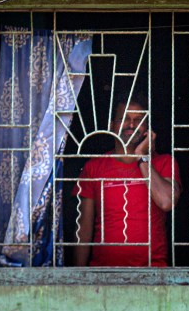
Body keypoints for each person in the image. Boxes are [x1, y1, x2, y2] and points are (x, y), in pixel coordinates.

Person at [72, 96, 181, 267]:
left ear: (147, 128)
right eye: (124, 119)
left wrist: (142, 157)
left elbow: (166, 201)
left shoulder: (164, 163)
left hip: (153, 273)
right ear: (111, 125)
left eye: (138, 120)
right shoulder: (94, 167)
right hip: (102, 274)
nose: (131, 125)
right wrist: (78, 277)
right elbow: (83, 229)